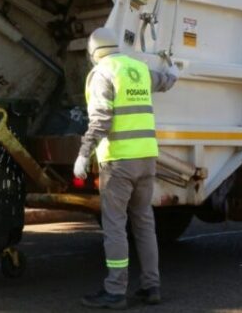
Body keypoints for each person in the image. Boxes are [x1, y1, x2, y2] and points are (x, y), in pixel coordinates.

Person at [74, 28, 179, 309]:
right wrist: (173, 70)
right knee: (144, 223)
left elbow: (101, 120)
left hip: (119, 162)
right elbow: (167, 82)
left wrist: (84, 155)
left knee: (115, 226)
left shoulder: (102, 74)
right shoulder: (139, 69)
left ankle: (115, 290)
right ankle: (151, 286)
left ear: (94, 52)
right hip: (147, 158)